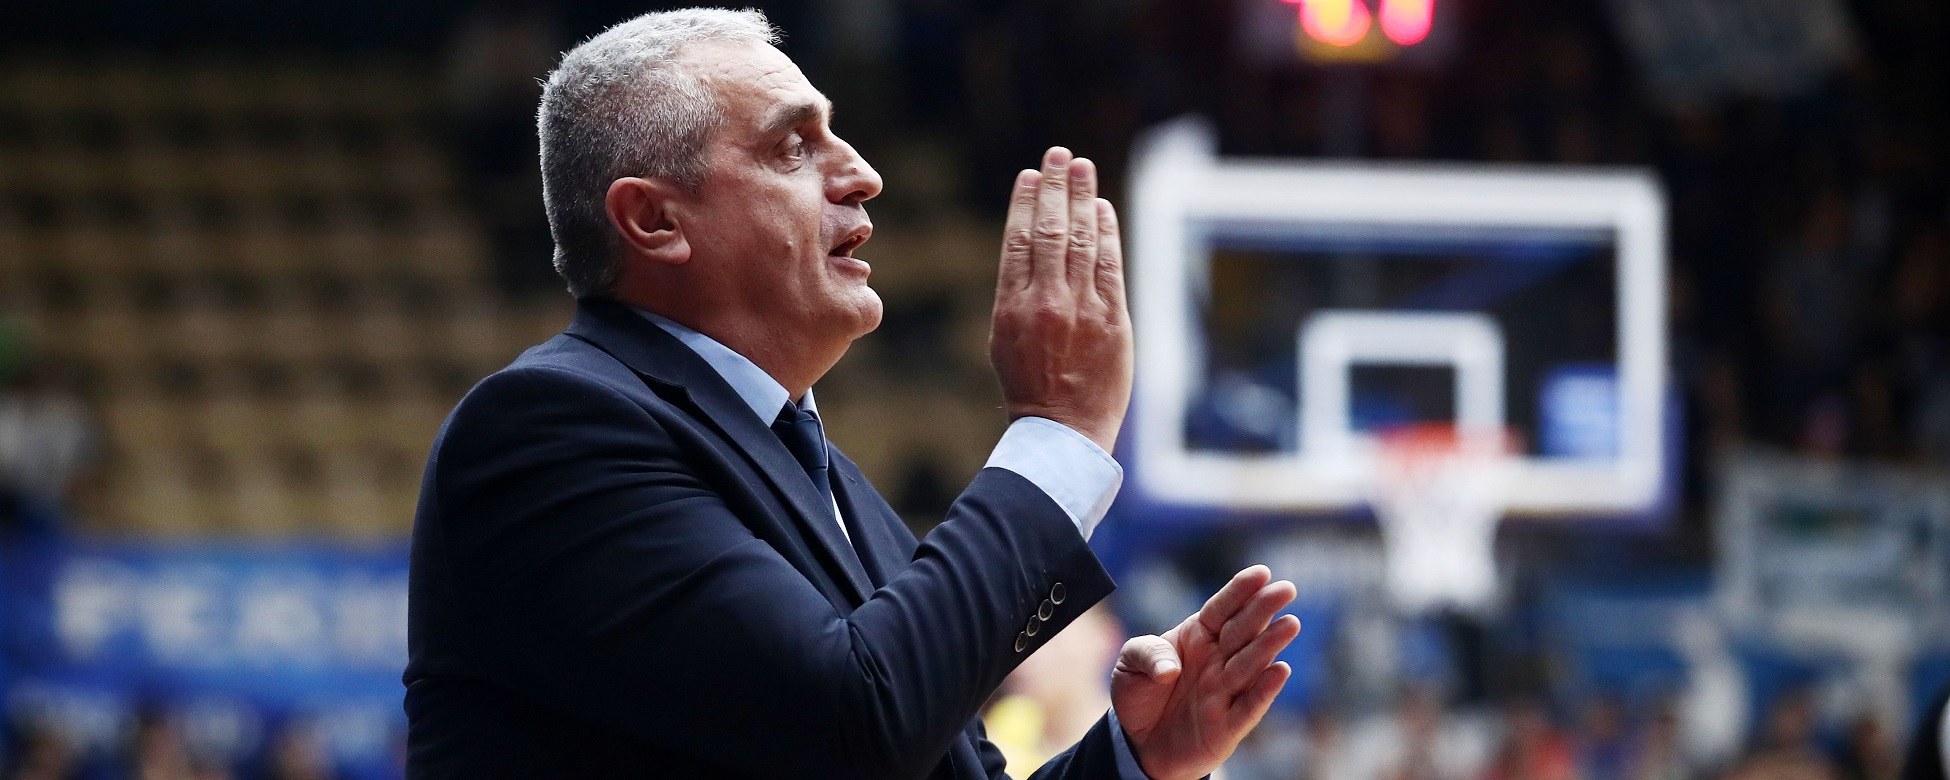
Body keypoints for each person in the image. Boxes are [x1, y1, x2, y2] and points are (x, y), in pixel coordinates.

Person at [402, 8, 1301, 778]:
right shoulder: (545, 431)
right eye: (793, 145)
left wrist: (1136, 760)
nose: (863, 173)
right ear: (654, 219)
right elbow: (849, 728)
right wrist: (1057, 434)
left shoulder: (834, 485)